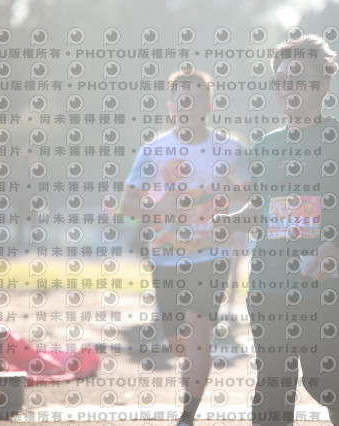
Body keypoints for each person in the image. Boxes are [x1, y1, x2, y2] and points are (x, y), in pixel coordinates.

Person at [214, 34, 339, 426]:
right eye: (280, 81)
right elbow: (262, 211)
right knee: (273, 385)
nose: (287, 88)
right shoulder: (264, 148)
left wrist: (335, 245)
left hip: (327, 290)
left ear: (323, 84)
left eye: (298, 79)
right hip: (269, 286)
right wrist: (230, 221)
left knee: (324, 384)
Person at [121, 69, 248, 426]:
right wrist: (160, 207)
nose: (188, 106)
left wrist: (223, 194)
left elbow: (252, 195)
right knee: (178, 341)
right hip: (166, 257)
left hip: (212, 255)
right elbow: (128, 204)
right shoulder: (153, 150)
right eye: (182, 100)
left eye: (196, 100)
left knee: (199, 332)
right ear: (171, 106)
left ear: (209, 105)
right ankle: (189, 369)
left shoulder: (230, 149)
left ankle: (187, 414)